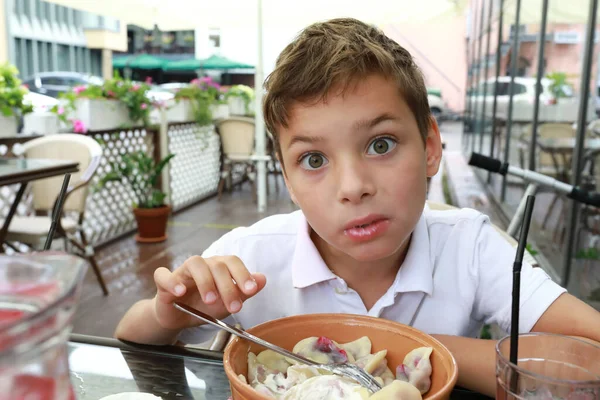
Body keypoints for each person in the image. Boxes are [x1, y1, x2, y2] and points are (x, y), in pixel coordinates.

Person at [115, 18, 600, 397]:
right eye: (313, 159)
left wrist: (410, 351)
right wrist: (170, 315)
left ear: (431, 145)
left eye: (381, 144)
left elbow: (592, 355)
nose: (353, 187)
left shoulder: (470, 245)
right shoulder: (252, 257)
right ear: (286, 177)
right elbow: (134, 341)